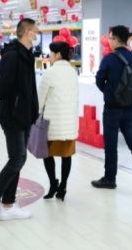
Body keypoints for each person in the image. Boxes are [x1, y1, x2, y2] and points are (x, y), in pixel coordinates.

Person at [0, 18, 40, 229]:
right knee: (17, 158)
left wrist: (33, 110)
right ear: (26, 32)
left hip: (25, 115)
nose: (37, 34)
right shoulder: (13, 55)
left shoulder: (27, 55)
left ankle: (8, 205)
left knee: (19, 158)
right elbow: (1, 87)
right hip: (12, 115)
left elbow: (30, 87)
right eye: (35, 31)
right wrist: (11, 98)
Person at [92, 25, 132, 193]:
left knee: (111, 145)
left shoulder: (109, 59)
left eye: (110, 38)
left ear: (117, 40)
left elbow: (99, 80)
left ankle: (110, 179)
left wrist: (110, 92)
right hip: (130, 108)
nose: (109, 41)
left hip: (112, 109)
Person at [38, 41, 79, 202]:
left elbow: (40, 98)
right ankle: (63, 186)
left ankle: (52, 184)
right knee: (66, 155)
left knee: (47, 154)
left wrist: (35, 114)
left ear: (58, 54)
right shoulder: (73, 72)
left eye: (51, 53)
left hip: (52, 122)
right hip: (69, 122)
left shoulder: (50, 72)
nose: (50, 56)